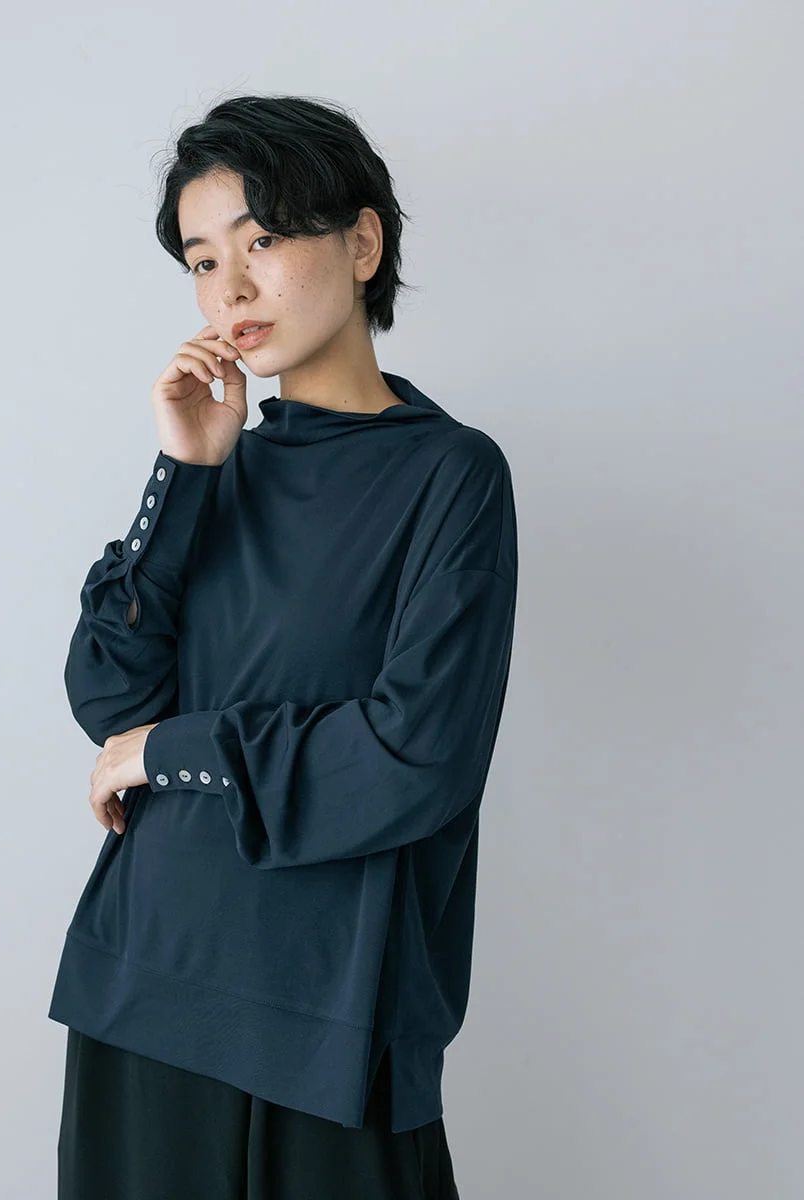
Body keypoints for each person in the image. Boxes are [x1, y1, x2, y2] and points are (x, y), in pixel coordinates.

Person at [49, 92, 518, 1200]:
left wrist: (172, 753)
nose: (231, 290)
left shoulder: (451, 475)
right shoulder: (218, 468)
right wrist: (183, 472)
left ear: (363, 243)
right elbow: (110, 694)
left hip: (329, 1009)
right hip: (146, 976)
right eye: (203, 262)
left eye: (261, 241)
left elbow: (415, 757)